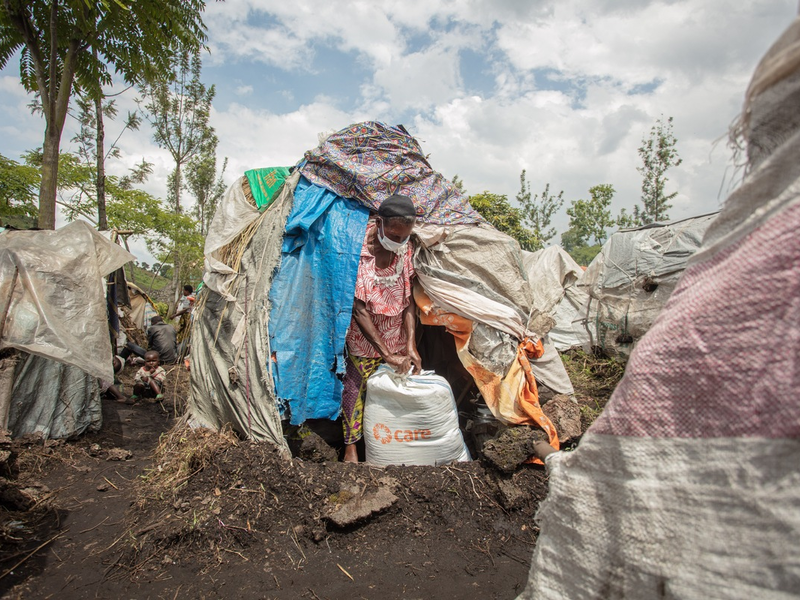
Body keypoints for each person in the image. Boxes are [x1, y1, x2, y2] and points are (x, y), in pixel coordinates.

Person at [341, 194, 422, 463]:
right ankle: (351, 447)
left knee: (393, 391)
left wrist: (410, 345)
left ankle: (389, 444)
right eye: (394, 235)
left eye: (404, 237)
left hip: (396, 336)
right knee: (356, 390)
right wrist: (385, 353)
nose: (399, 242)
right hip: (365, 339)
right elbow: (358, 309)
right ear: (379, 222)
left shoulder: (404, 249)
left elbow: (408, 300)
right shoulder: (358, 250)